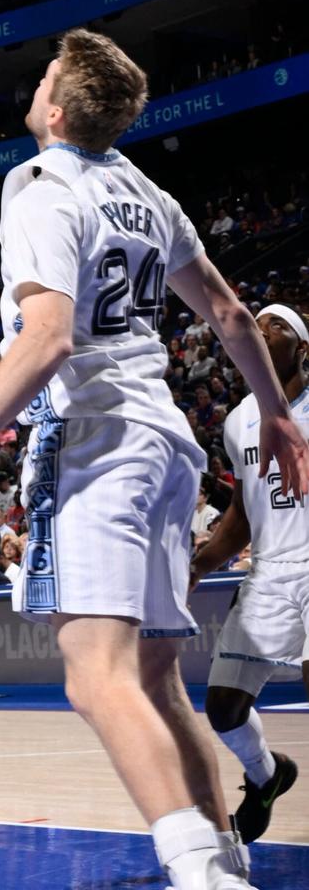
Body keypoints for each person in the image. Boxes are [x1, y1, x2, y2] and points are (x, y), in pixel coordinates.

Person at [0, 29, 309, 890]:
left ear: (55, 107)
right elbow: (230, 314)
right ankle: (227, 855)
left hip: (95, 440)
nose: (37, 84)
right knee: (156, 680)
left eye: (44, 76)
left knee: (94, 678)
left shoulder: (38, 186)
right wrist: (276, 412)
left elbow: (45, 340)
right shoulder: (147, 191)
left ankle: (198, 872)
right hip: (168, 448)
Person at [192, 304, 308, 843]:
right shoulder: (239, 420)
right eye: (257, 322)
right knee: (223, 707)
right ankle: (266, 776)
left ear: (302, 350)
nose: (262, 328)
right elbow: (242, 513)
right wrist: (201, 563)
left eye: (277, 325)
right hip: (268, 572)